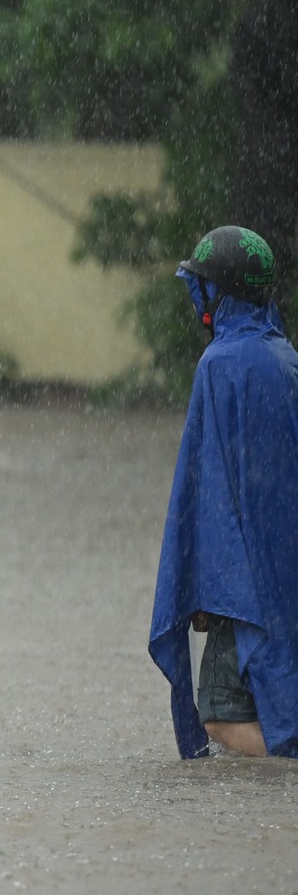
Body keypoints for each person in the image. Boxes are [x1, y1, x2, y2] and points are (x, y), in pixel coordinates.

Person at [150, 225, 298, 759]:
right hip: (285, 580)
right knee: (275, 702)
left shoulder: (219, 366)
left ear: (221, 293)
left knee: (219, 714)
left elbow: (210, 490)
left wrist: (207, 587)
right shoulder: (286, 360)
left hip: (244, 586)